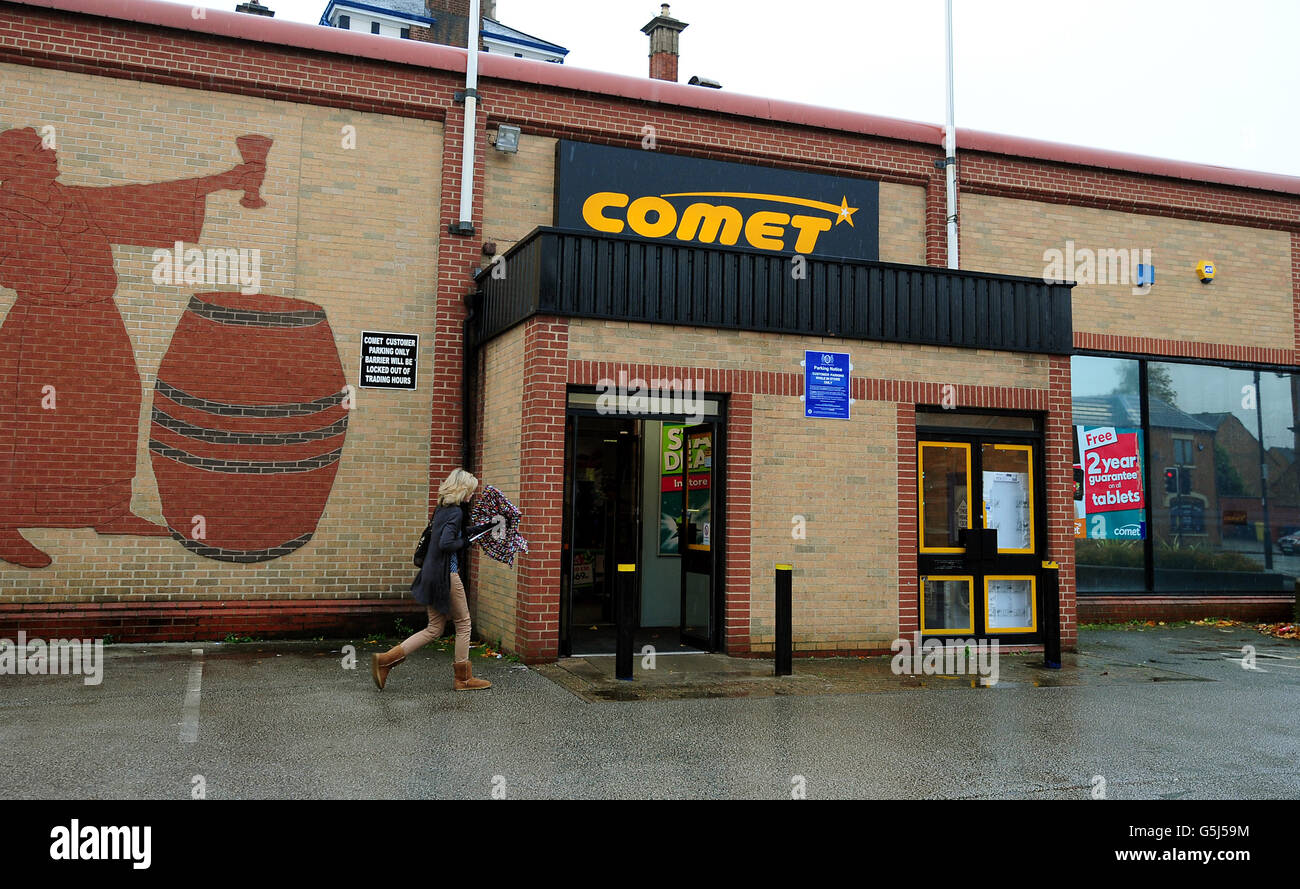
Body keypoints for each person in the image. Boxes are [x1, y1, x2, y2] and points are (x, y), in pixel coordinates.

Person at [0, 126, 266, 568]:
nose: (53, 154)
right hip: (42, 325)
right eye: (41, 152)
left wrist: (222, 181)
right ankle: (4, 523)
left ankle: (107, 509)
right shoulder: (5, 211)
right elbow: (17, 268)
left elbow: (138, 199)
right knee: (26, 417)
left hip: (98, 320)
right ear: (16, 166)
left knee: (113, 402)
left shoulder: (67, 198)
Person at [372, 468, 495, 691]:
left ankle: (385, 661)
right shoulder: (456, 512)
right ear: (463, 489)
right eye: (471, 491)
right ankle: (463, 678)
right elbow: (447, 543)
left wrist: (483, 528)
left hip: (431, 573)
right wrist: (467, 543)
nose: (472, 496)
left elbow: (453, 533)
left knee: (434, 628)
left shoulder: (443, 508)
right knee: (464, 623)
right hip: (446, 575)